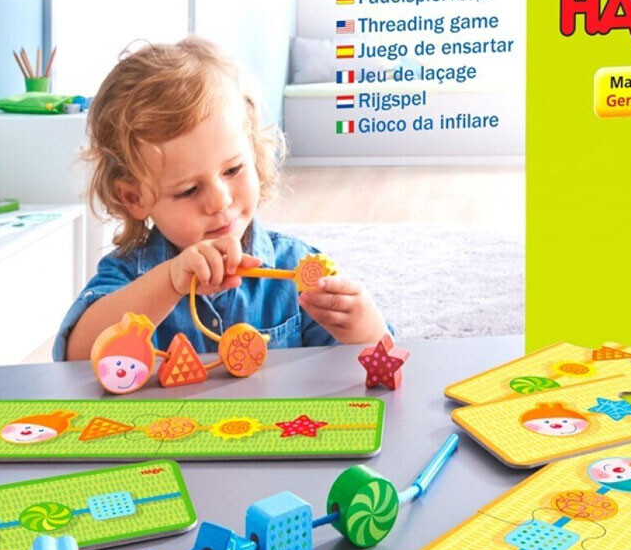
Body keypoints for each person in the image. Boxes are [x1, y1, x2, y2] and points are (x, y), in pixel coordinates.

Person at [55, 38, 388, 361]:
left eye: (232, 170)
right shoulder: (130, 275)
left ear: (253, 152)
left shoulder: (295, 266)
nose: (219, 201)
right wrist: (169, 282)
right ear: (134, 198)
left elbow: (376, 364)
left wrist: (366, 328)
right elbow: (76, 358)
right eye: (188, 190)